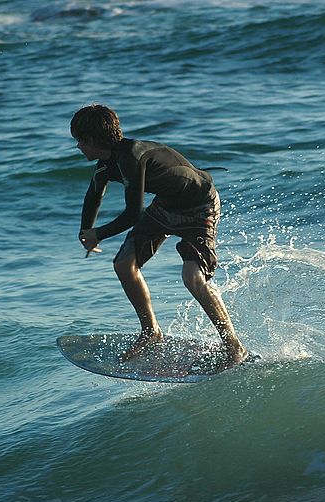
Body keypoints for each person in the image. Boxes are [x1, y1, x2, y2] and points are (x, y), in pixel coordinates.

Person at [71, 104, 248, 366]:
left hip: (200, 207)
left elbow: (134, 213)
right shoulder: (106, 165)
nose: (78, 147)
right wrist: (86, 232)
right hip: (166, 206)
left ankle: (233, 346)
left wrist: (99, 233)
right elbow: (94, 195)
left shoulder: (131, 156)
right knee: (123, 264)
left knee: (192, 277)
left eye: (80, 141)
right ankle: (151, 331)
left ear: (94, 140)